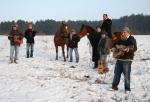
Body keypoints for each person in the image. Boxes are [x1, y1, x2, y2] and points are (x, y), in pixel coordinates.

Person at [111, 27, 137, 93]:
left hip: (127, 60)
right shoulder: (120, 39)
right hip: (119, 59)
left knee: (126, 75)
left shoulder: (131, 39)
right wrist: (114, 48)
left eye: (124, 32)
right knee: (116, 74)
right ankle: (114, 87)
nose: (123, 33)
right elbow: (115, 45)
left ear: (128, 32)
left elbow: (134, 48)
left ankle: (127, 89)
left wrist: (127, 49)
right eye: (123, 32)